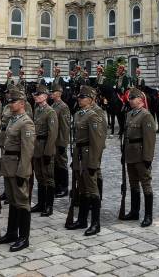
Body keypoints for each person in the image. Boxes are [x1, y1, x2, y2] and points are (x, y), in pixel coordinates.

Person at [0, 88, 35, 252]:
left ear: (22, 103)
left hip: (18, 165)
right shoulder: (12, 120)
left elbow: (27, 150)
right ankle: (12, 232)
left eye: (13, 101)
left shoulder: (26, 122)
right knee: (12, 200)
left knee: (22, 201)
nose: (10, 103)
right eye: (10, 101)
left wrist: (23, 171)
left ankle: (24, 237)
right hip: (9, 163)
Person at [66, 86, 107, 236]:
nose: (79, 99)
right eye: (79, 97)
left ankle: (96, 223)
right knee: (82, 187)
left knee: (92, 187)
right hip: (79, 154)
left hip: (89, 154)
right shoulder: (78, 114)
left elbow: (97, 141)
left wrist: (94, 162)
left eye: (82, 97)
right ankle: (82, 219)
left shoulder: (94, 115)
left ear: (90, 99)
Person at [122, 88, 156, 227]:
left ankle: (148, 215)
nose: (129, 100)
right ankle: (134, 211)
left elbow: (150, 139)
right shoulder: (129, 114)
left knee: (146, 185)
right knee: (133, 183)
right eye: (129, 98)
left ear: (140, 100)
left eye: (132, 98)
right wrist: (124, 154)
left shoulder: (146, 115)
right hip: (130, 154)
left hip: (141, 155)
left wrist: (148, 158)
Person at [30, 84, 57, 217]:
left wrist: (48, 152)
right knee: (39, 177)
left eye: (39, 94)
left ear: (45, 96)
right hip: (37, 147)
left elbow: (52, 134)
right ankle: (41, 203)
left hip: (45, 146)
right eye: (36, 94)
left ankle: (49, 205)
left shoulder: (50, 112)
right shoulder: (38, 110)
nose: (36, 96)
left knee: (48, 178)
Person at [51, 85, 71, 198]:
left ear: (59, 93)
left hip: (60, 140)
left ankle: (64, 187)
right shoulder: (53, 105)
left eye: (53, 92)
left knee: (62, 163)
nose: (51, 94)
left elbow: (65, 127)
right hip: (54, 140)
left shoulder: (63, 107)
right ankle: (57, 185)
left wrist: (63, 143)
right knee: (55, 164)